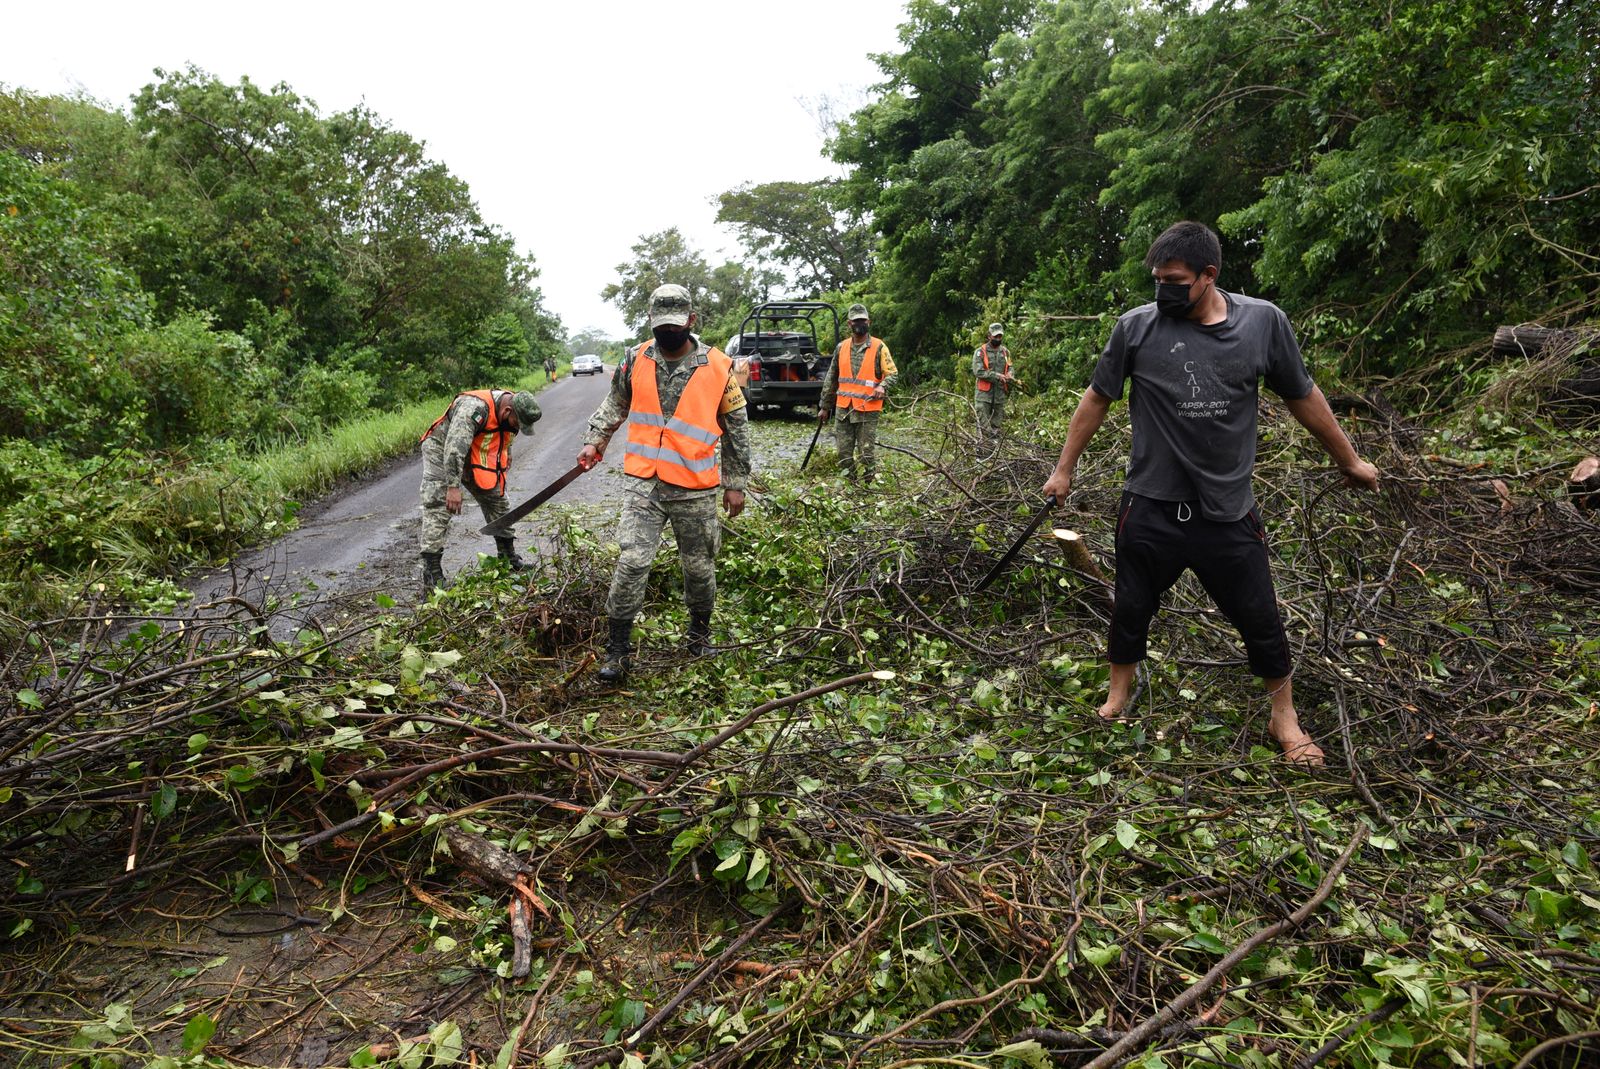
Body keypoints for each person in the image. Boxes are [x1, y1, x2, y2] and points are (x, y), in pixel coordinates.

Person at [1041, 221, 1380, 766]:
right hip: (1149, 504)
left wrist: (1350, 460)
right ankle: (1118, 696)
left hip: (1226, 511)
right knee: (1130, 607)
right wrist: (1064, 470)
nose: (1163, 290)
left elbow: (1304, 396)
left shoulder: (1263, 324)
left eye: (1174, 280)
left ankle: (1284, 720)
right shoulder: (1136, 329)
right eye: (1157, 280)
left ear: (1208, 276)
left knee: (1259, 616)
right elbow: (1097, 398)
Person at [578, 284, 751, 682]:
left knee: (698, 566)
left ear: (691, 321)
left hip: (695, 486)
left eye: (676, 325)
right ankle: (617, 651)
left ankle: (699, 635)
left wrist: (735, 482)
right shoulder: (634, 359)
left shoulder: (719, 367)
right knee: (632, 562)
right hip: (645, 483)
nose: (668, 333)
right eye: (661, 326)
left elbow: (737, 428)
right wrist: (595, 440)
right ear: (651, 321)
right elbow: (615, 403)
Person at [418, 388, 543, 595]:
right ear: (507, 411)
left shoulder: (511, 408)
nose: (517, 429)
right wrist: (452, 487)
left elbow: (506, 433)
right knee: (439, 508)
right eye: (517, 423)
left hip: (473, 451)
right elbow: (454, 449)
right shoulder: (473, 409)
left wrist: (506, 452)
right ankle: (432, 577)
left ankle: (508, 558)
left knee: (498, 500)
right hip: (443, 451)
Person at [818, 303, 897, 483]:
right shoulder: (841, 347)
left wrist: (882, 386)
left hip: (867, 410)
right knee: (844, 454)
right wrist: (824, 406)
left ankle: (868, 487)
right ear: (849, 324)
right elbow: (831, 378)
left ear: (868, 321)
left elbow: (893, 374)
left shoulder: (879, 347)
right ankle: (850, 486)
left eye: (862, 320)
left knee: (866, 453)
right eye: (856, 321)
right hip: (843, 409)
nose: (859, 323)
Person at [973, 322, 1013, 447]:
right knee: (984, 428)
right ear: (989, 336)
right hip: (984, 396)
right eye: (995, 336)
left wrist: (1010, 375)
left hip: (999, 395)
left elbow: (1010, 367)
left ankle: (994, 457)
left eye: (1000, 336)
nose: (998, 339)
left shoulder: (1005, 352)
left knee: (996, 428)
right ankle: (981, 456)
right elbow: (978, 371)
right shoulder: (980, 352)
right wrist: (997, 376)